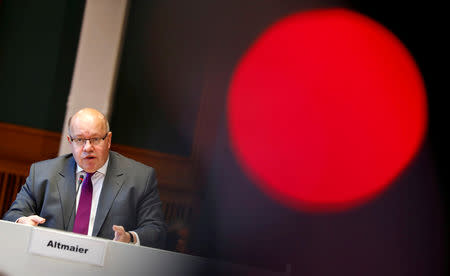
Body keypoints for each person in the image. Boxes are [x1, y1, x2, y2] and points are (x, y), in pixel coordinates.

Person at [2, 108, 166, 248]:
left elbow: (155, 229)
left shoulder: (140, 178)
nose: (88, 148)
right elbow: (13, 215)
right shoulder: (43, 173)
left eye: (95, 139)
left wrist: (130, 238)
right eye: (79, 140)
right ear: (70, 141)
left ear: (108, 140)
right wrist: (22, 222)